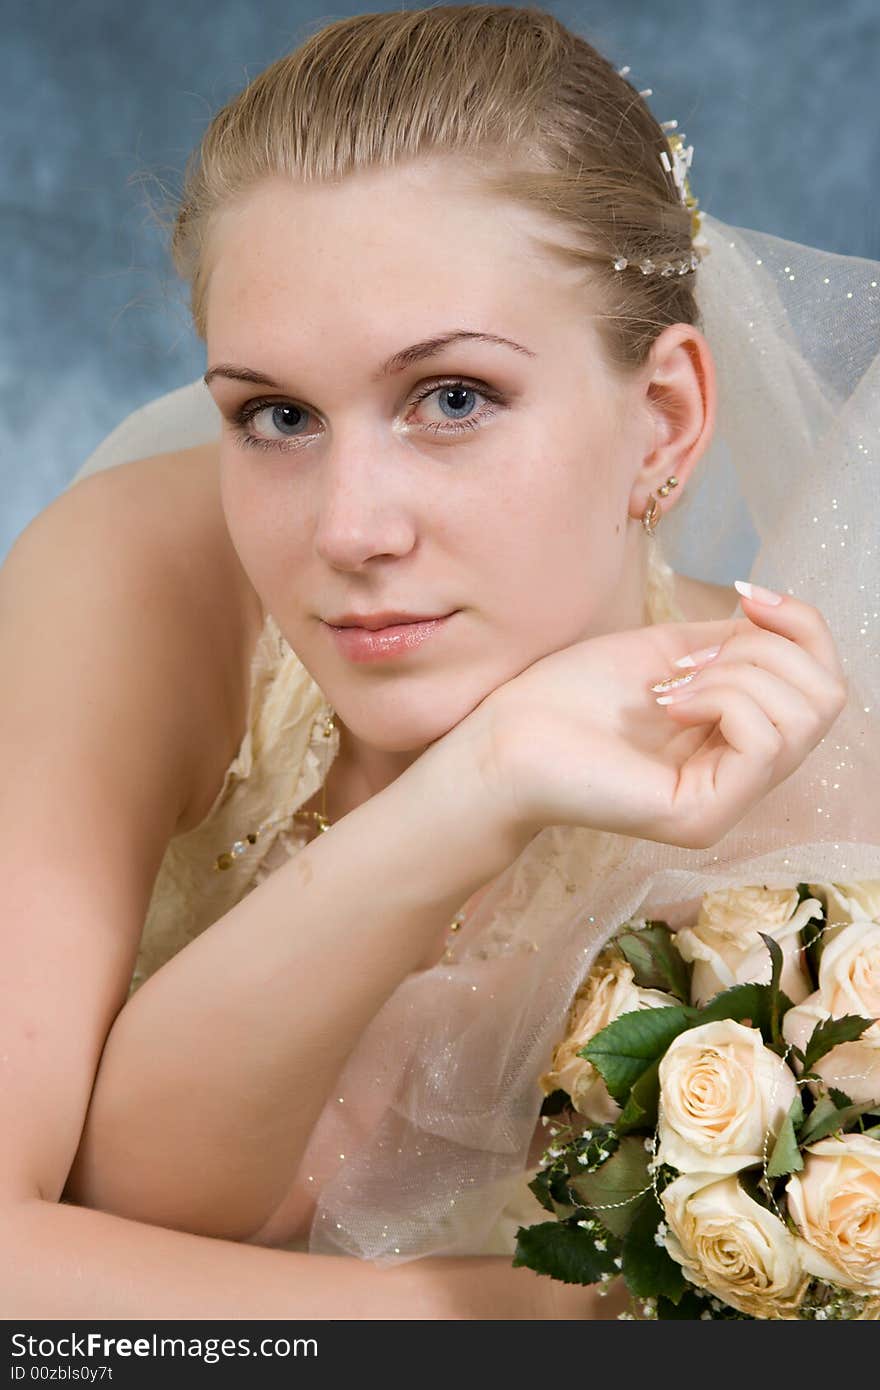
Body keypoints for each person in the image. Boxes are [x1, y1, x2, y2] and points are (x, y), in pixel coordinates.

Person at [2, 6, 876, 1319]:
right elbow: (113, 1212)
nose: (350, 528)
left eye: (453, 397)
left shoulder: (802, 791)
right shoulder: (140, 576)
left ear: (666, 420)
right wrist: (500, 1313)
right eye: (277, 415)